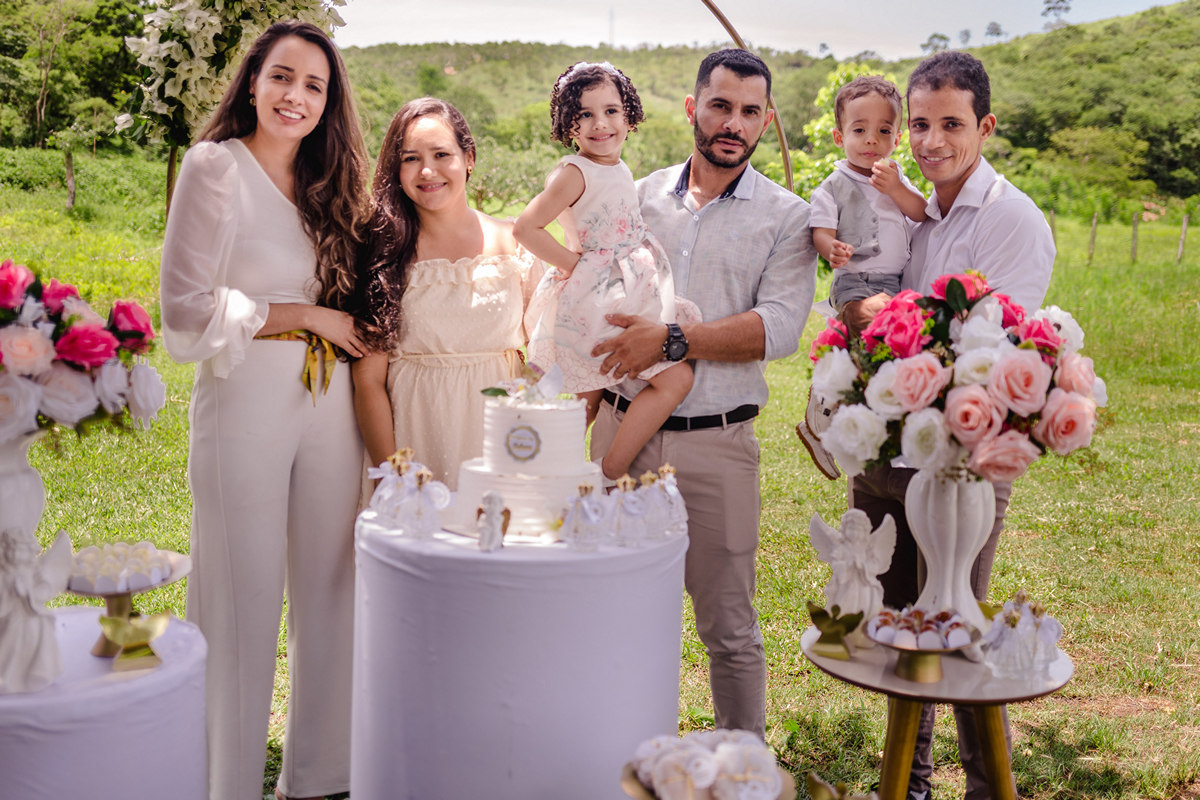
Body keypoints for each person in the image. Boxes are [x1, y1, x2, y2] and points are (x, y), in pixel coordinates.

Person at [159, 20, 371, 800]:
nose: (296, 96)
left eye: (315, 85)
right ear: (252, 81)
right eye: (283, 76)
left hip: (332, 404)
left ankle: (320, 778)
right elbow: (183, 308)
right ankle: (226, 783)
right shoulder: (215, 166)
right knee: (240, 596)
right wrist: (309, 316)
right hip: (245, 390)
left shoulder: (331, 184)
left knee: (331, 587)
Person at [589, 48, 817, 737]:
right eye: (721, 105)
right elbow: (593, 291)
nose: (733, 123)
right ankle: (609, 758)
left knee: (730, 626)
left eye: (750, 112)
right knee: (608, 612)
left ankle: (743, 767)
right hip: (619, 432)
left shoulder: (787, 216)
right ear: (693, 108)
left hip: (717, 445)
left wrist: (673, 341)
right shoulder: (637, 195)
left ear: (765, 120)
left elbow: (778, 328)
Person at [847, 51, 1055, 800]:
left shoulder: (1009, 220)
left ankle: (985, 787)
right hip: (892, 449)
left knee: (957, 626)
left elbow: (992, 351)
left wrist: (889, 323)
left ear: (985, 127)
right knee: (903, 625)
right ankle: (909, 782)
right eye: (923, 124)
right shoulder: (917, 212)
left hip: (963, 461)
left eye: (952, 125)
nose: (932, 141)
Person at [516, 61, 698, 481]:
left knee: (588, 398)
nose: (601, 124)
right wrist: (576, 265)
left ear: (629, 115)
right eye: (585, 114)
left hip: (621, 287)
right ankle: (606, 471)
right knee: (673, 381)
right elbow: (526, 227)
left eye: (611, 111)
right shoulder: (575, 172)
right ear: (569, 124)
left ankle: (550, 474)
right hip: (597, 294)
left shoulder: (614, 166)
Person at [353, 98, 542, 487]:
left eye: (442, 154)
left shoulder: (515, 242)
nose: (427, 170)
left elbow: (544, 356)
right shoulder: (381, 254)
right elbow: (368, 381)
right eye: (410, 159)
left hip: (501, 441)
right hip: (413, 440)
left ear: (468, 158)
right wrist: (395, 475)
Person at [797, 75, 927, 480]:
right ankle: (823, 403)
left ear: (898, 138)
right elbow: (820, 227)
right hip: (855, 281)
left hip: (893, 280)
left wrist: (897, 191)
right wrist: (828, 246)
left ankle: (845, 413)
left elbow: (920, 212)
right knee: (873, 323)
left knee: (877, 351)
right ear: (839, 137)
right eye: (859, 130)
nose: (871, 140)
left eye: (883, 131)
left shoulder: (895, 177)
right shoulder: (834, 185)